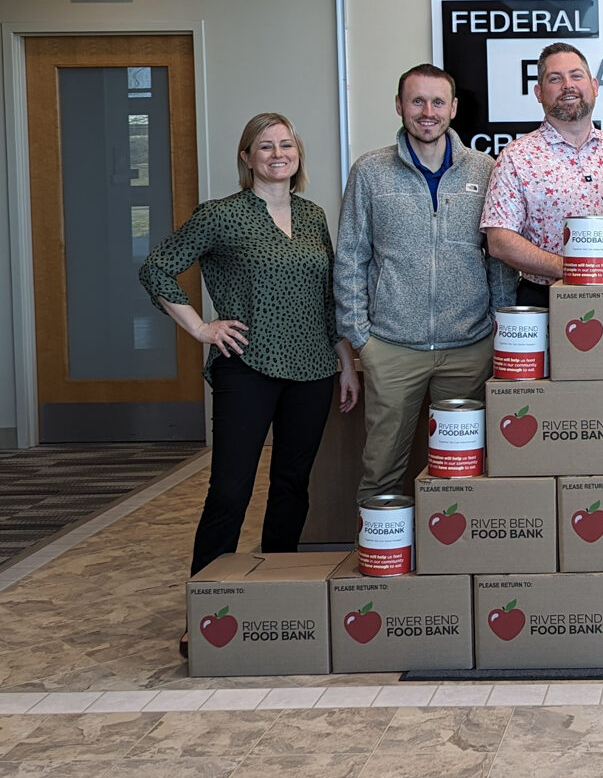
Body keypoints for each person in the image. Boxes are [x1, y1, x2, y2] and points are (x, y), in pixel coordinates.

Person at [139, 112, 358, 656]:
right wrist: (201, 327)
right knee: (230, 490)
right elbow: (158, 268)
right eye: (265, 146)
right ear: (246, 157)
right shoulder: (223, 216)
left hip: (312, 369)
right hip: (247, 367)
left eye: (287, 144)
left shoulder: (311, 216)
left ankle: (273, 594)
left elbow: (325, 297)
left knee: (292, 486)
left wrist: (346, 361)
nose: (278, 154)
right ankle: (205, 606)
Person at [335, 64, 515, 503]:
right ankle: (382, 564)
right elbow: (350, 257)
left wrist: (499, 328)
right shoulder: (370, 172)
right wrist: (360, 338)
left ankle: (450, 567)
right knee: (381, 472)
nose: (427, 111)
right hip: (392, 347)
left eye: (437, 101)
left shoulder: (486, 169)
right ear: (399, 106)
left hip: (468, 349)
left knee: (463, 472)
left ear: (453, 108)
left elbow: (499, 258)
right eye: (416, 101)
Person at [481, 42, 603, 306]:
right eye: (555, 79)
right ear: (538, 92)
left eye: (576, 75)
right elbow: (500, 241)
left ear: (594, 86)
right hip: (545, 299)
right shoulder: (515, 157)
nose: (567, 85)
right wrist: (573, 268)